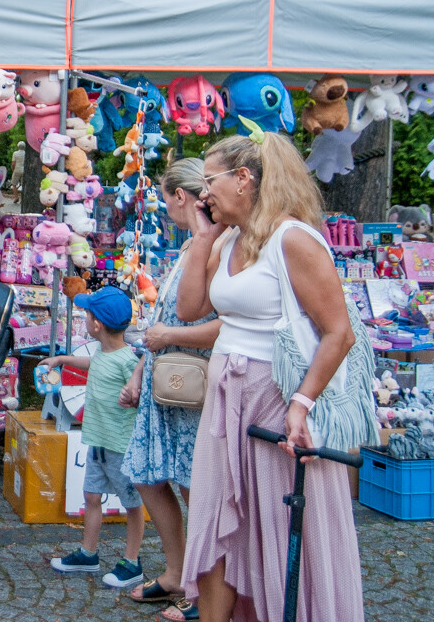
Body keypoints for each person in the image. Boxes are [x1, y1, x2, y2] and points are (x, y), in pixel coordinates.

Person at [175, 131, 364, 622]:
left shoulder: (293, 239)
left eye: (209, 180)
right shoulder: (230, 238)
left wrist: (302, 403)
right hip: (225, 404)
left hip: (273, 404)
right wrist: (202, 237)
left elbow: (338, 333)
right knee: (218, 524)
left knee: (278, 529)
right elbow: (190, 308)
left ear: (244, 179)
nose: (202, 193)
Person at [118, 159, 222, 620]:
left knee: (191, 486)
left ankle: (201, 587)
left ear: (182, 197)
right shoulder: (189, 247)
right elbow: (166, 314)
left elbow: (227, 323)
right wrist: (142, 367)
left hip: (191, 384)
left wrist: (169, 340)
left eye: (164, 198)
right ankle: (178, 570)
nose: (162, 208)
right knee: (145, 472)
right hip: (166, 380)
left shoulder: (216, 246)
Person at [43, 286, 145, 589]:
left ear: (97, 324)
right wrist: (62, 360)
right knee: (91, 496)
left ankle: (132, 561)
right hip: (98, 444)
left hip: (120, 446)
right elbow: (93, 365)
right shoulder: (103, 351)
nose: (85, 318)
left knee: (132, 503)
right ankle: (89, 552)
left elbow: (139, 391)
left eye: (87, 314)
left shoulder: (128, 360)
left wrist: (134, 394)